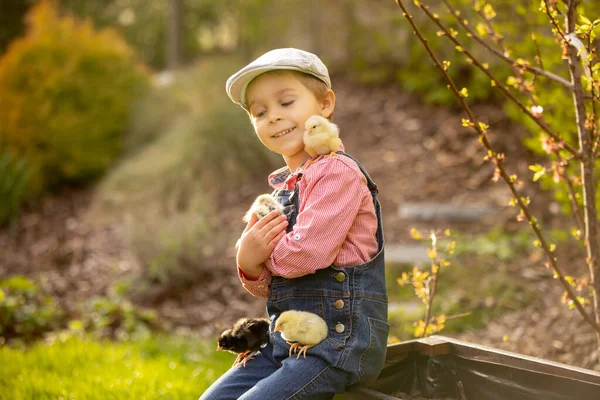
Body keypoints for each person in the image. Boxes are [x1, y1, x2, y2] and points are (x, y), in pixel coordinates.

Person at [200, 48, 388, 400]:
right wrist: (247, 263)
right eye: (259, 112)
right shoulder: (283, 188)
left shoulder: (337, 172)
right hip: (283, 342)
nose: (273, 117)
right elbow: (267, 286)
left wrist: (255, 254)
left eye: (286, 102)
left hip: (336, 346)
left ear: (325, 104)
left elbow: (305, 255)